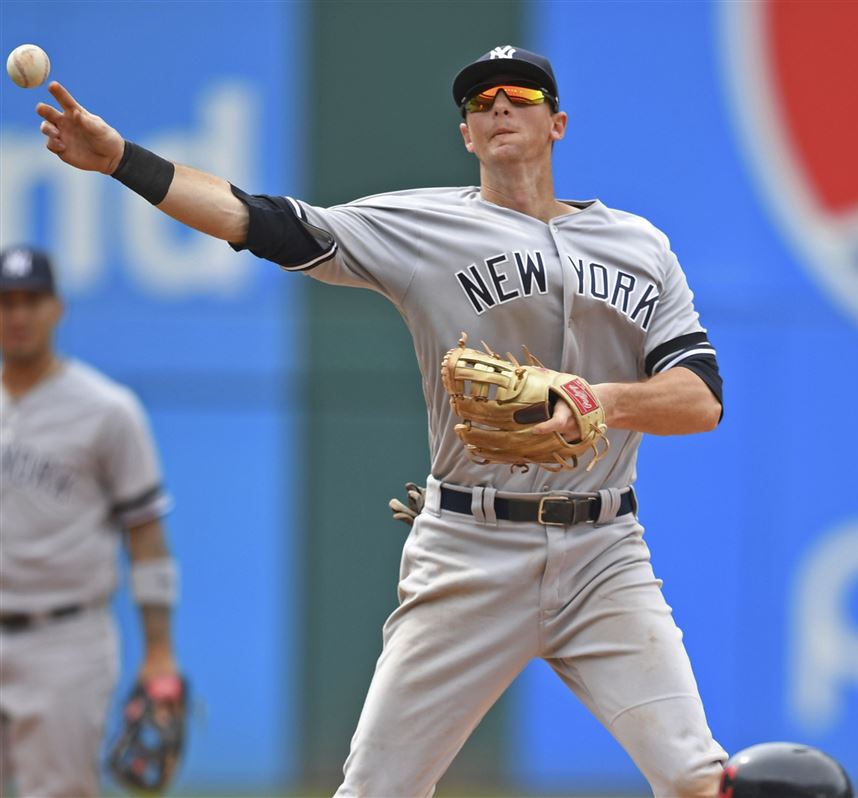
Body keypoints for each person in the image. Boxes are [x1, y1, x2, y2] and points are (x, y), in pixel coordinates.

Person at [34, 45, 727, 797]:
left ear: (556, 122)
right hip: (472, 547)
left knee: (696, 778)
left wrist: (605, 400)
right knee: (375, 790)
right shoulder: (421, 225)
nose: (498, 104)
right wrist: (120, 163)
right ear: (465, 135)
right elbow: (263, 223)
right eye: (478, 99)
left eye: (519, 93)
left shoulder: (640, 245)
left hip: (604, 555)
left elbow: (701, 397)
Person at [0, 245, 183, 797]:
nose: (19, 315)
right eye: (7, 302)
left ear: (57, 307)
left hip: (64, 640)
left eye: (32, 300)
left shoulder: (107, 410)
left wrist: (158, 652)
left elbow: (146, 536)